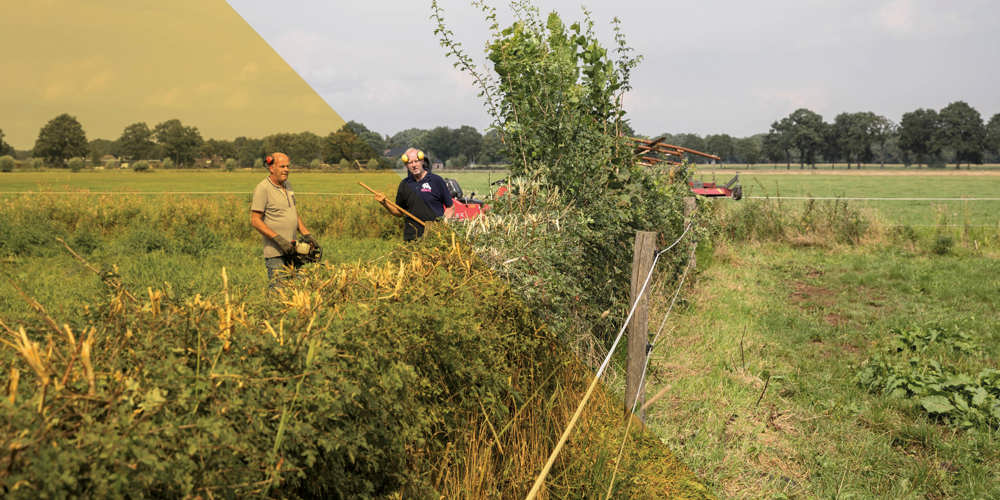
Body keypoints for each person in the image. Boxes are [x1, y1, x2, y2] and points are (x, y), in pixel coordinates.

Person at [250, 152, 319, 290]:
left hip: (294, 250)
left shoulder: (288, 186)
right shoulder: (263, 188)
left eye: (288, 166)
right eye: (282, 166)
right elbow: (255, 220)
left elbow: (292, 212)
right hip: (275, 252)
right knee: (278, 291)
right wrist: (279, 240)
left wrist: (307, 234)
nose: (286, 169)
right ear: (271, 168)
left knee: (301, 288)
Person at [374, 148, 454, 240]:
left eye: (416, 161)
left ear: (422, 161)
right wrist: (384, 203)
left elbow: (450, 207)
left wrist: (443, 226)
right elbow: (399, 212)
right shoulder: (404, 184)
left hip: (434, 236)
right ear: (406, 165)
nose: (414, 165)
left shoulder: (436, 180)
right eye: (410, 163)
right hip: (411, 238)